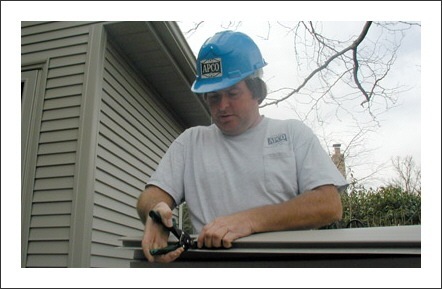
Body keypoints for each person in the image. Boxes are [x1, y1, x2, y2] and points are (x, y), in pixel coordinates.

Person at [136, 30, 348, 263]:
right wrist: (155, 212)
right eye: (213, 97)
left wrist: (249, 220)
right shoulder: (190, 142)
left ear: (257, 92)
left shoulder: (291, 134)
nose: (222, 105)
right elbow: (151, 196)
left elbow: (329, 204)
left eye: (233, 93)